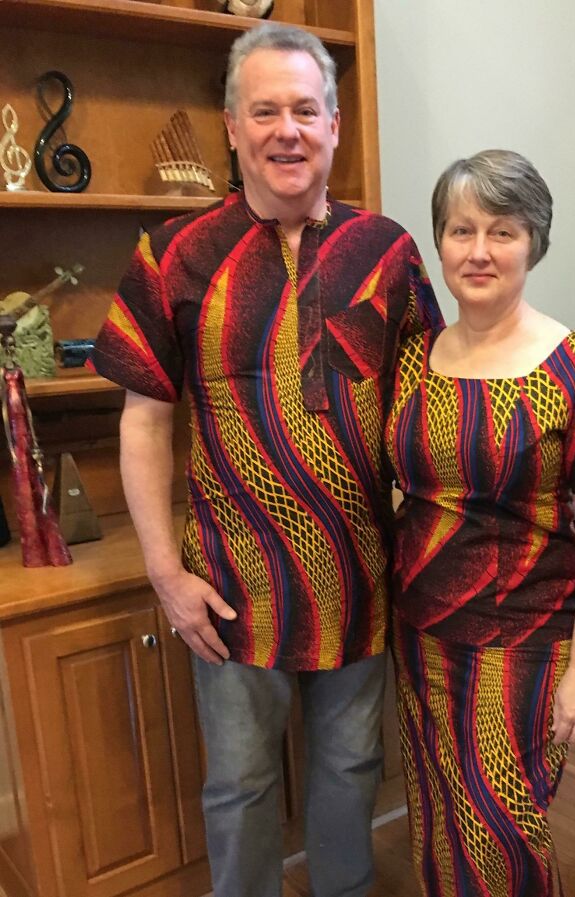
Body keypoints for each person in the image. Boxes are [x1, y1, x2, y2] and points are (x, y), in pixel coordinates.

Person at [90, 22, 443, 897]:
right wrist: (165, 575)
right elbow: (142, 422)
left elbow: (432, 405)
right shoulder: (170, 254)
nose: (287, 130)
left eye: (305, 110)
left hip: (363, 573)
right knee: (240, 785)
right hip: (229, 582)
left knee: (352, 768)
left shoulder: (390, 252)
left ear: (334, 126)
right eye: (265, 111)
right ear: (232, 127)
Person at [385, 149, 575, 897]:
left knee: (503, 830)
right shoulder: (411, 360)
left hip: (524, 642)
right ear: (438, 240)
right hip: (421, 633)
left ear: (534, 241)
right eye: (461, 229)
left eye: (501, 231)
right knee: (439, 815)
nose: (478, 251)